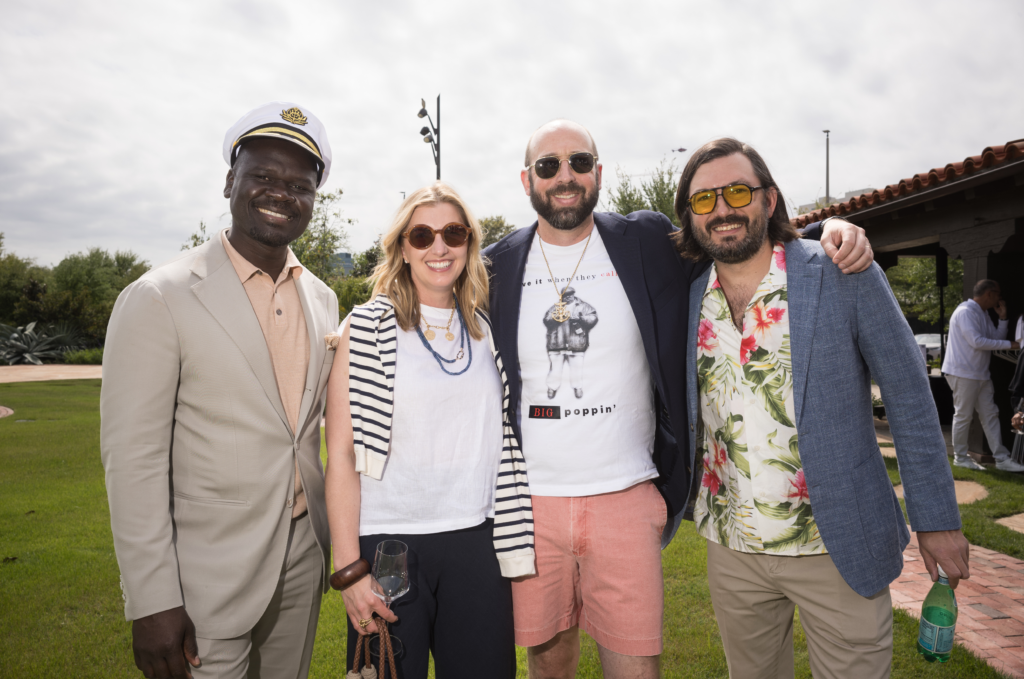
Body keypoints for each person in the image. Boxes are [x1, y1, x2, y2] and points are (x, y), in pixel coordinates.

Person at [482, 119, 873, 679]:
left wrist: (826, 229)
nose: (565, 176)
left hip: (626, 495)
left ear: (599, 172)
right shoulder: (497, 264)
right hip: (531, 502)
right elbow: (427, 288)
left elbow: (736, 239)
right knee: (547, 664)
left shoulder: (645, 240)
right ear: (527, 179)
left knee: (637, 667)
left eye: (580, 162)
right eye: (548, 165)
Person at [674, 137, 969, 678]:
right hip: (732, 546)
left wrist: (937, 520)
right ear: (690, 217)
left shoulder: (841, 273)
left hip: (835, 542)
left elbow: (908, 395)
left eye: (738, 191)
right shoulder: (687, 294)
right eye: (704, 199)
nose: (722, 209)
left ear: (769, 199)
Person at [101, 102, 339, 679]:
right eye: (263, 176)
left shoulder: (323, 299)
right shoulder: (159, 296)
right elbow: (133, 460)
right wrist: (152, 598)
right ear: (230, 180)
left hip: (303, 556)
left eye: (299, 185)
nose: (281, 193)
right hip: (204, 574)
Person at [324, 182, 535, 678]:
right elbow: (341, 454)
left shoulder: (484, 330)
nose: (439, 247)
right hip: (392, 549)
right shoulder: (367, 327)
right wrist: (350, 570)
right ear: (403, 247)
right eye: (422, 235)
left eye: (453, 233)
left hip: (477, 543)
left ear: (469, 244)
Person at [941, 279, 1024, 472]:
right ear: (990, 294)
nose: (999, 299)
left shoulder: (982, 313)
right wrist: (1014, 344)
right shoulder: (965, 312)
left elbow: (994, 339)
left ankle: (1002, 459)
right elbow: (977, 342)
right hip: (963, 373)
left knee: (991, 415)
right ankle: (961, 458)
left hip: (979, 374)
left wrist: (1003, 319)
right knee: (963, 415)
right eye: (998, 295)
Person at [543, 286, 598, 398]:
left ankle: (577, 388)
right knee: (555, 369)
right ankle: (552, 388)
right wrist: (556, 317)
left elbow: (593, 318)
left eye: (570, 294)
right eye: (565, 295)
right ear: (562, 296)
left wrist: (580, 318)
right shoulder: (555, 308)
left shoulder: (583, 306)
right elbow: (546, 320)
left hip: (576, 344)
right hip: (556, 344)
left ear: (574, 294)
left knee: (576, 369)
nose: (568, 297)